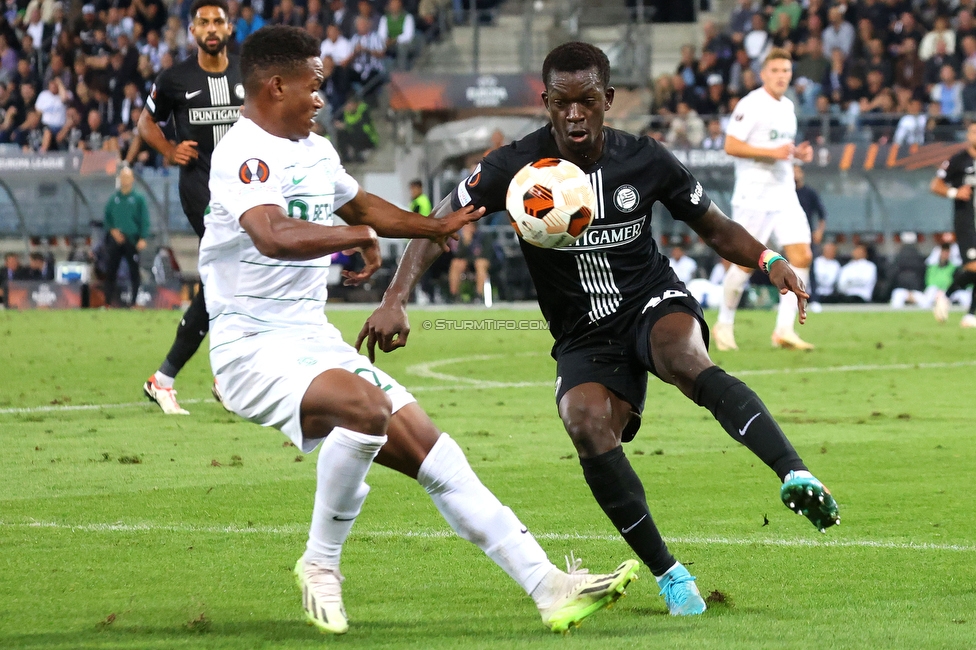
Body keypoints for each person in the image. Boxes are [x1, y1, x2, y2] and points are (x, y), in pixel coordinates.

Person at [358, 41, 840, 617]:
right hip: (583, 334)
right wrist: (395, 296)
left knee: (687, 361)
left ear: (608, 100)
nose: (574, 115)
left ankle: (795, 473)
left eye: (587, 101)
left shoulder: (646, 159)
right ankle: (669, 572)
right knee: (585, 424)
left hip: (651, 301)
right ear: (546, 103)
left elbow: (713, 226)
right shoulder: (515, 168)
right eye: (562, 103)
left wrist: (769, 262)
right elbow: (438, 222)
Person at [199, 25, 638, 635]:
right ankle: (321, 564)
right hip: (249, 343)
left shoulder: (315, 149)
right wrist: (357, 238)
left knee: (436, 452)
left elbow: (362, 208)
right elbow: (272, 235)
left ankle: (547, 586)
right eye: (314, 85)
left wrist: (429, 228)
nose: (322, 97)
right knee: (366, 408)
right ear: (276, 86)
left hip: (308, 335)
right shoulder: (242, 153)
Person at [139, 0, 244, 414]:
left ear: (229, 28)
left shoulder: (245, 73)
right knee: (228, 276)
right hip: (201, 190)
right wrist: (168, 149)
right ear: (193, 31)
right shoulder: (174, 78)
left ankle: (165, 378)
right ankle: (219, 377)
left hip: (244, 193)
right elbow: (146, 122)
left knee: (223, 282)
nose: (211, 28)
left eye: (218, 21)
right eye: (204, 22)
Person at [716, 48, 816, 352]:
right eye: (776, 70)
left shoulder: (787, 106)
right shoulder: (751, 104)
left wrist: (798, 155)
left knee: (802, 256)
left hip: (784, 194)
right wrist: (772, 154)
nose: (782, 76)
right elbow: (731, 145)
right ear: (764, 74)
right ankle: (724, 322)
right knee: (746, 263)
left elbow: (780, 147)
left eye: (786, 71)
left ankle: (783, 330)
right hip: (754, 197)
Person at [930, 121, 976, 328]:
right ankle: (945, 296)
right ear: (968, 134)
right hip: (967, 222)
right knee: (974, 267)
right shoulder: (958, 161)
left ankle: (972, 315)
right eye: (974, 131)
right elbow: (936, 184)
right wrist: (955, 192)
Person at [102, 166, 151, 307]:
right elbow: (107, 218)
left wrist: (143, 237)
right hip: (116, 240)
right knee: (111, 270)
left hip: (132, 240)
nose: (125, 180)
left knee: (134, 271)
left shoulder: (138, 199)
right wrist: (113, 231)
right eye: (123, 177)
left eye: (127, 177)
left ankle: (134, 302)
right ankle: (107, 303)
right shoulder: (114, 199)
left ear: (132, 179)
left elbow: (144, 219)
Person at [448, 222, 489, 303]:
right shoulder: (461, 237)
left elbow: (485, 255)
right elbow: (458, 255)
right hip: (467, 262)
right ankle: (454, 295)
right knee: (456, 263)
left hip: (480, 262)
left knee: (480, 263)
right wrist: (466, 242)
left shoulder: (484, 237)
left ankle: (478, 296)